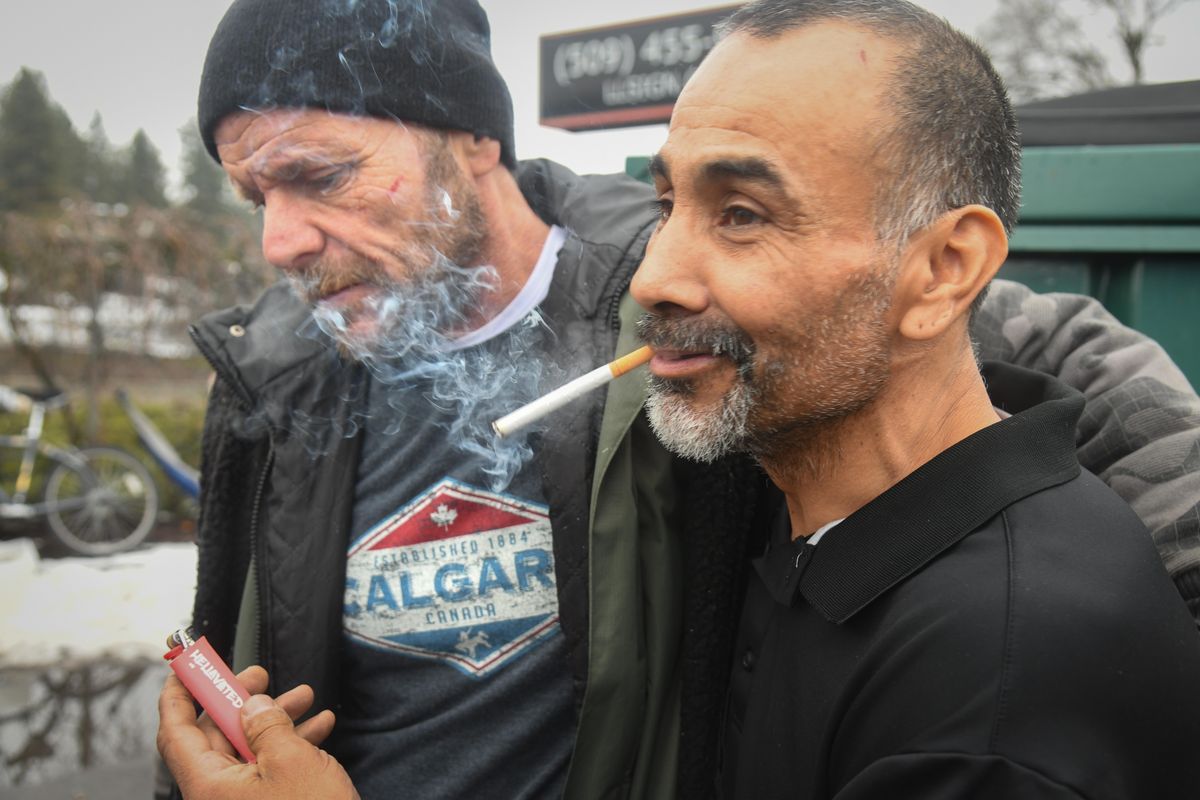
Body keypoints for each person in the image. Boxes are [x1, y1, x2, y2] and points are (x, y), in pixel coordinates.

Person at [155, 0, 1200, 798]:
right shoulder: (279, 367)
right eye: (257, 195)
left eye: (322, 176)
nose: (277, 240)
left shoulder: (643, 287)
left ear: (472, 140)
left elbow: (1020, 335)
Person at [625, 0, 1200, 797]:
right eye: (666, 207)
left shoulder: (996, 697)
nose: (652, 278)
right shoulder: (818, 511)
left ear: (945, 268)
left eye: (742, 215)